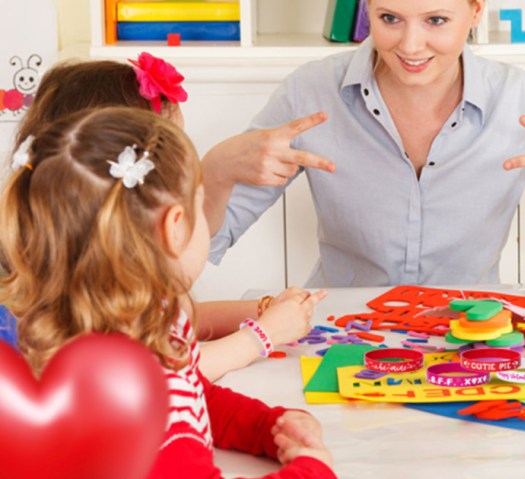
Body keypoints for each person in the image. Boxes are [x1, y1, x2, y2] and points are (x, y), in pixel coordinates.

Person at [203, 0, 525, 288]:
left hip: (474, 338)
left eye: (436, 20)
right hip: (340, 331)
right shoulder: (310, 91)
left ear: (475, 12)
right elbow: (204, 245)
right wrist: (214, 172)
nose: (410, 45)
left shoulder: (521, 101)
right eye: (389, 19)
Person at [0, 106, 336, 478]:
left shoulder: (133, 320)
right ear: (174, 226)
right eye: (199, 204)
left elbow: (192, 393)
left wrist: (265, 426)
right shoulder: (134, 393)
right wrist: (313, 469)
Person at [10, 54, 320, 381]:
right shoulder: (77, 286)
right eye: (160, 159)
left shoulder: (126, 262)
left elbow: (178, 320)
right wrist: (260, 335)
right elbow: (167, 372)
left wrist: (260, 310)